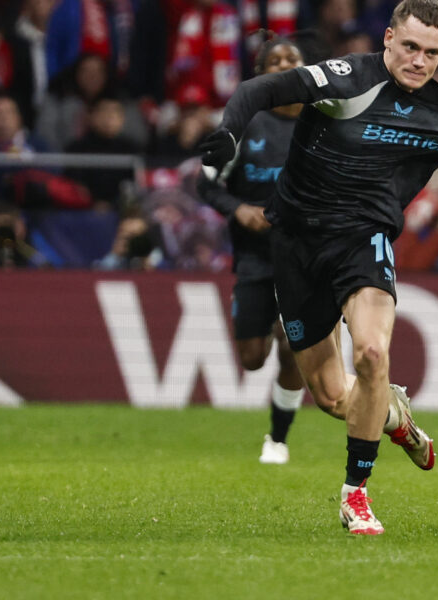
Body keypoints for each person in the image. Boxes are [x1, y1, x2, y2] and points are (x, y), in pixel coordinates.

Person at [200, 0, 438, 535]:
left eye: (432, 53)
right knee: (331, 396)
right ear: (388, 37)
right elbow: (258, 91)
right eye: (410, 46)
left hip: (364, 239)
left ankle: (356, 495)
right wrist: (230, 130)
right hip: (294, 244)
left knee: (371, 352)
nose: (418, 61)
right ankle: (393, 416)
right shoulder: (347, 77)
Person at [197, 37, 308, 466]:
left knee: (294, 344)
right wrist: (237, 208)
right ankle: (259, 319)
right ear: (260, 75)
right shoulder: (244, 125)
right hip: (254, 257)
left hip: (304, 257)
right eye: (274, 61)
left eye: (292, 59)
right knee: (251, 360)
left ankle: (277, 439)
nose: (283, 65)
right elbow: (203, 183)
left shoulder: (323, 121)